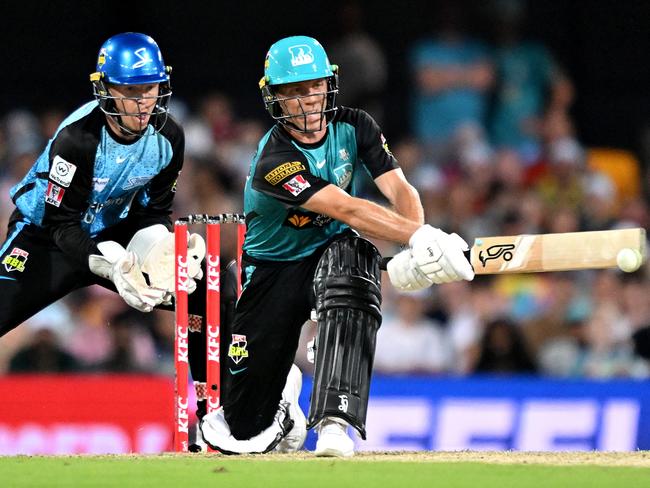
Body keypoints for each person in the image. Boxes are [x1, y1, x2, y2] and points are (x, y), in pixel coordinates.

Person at [198, 35, 474, 457]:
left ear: (329, 85)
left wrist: (413, 250)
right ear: (274, 98)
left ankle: (333, 421)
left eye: (313, 86)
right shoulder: (274, 160)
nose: (307, 99)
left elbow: (401, 190)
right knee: (242, 429)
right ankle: (281, 405)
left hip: (332, 249)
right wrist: (420, 237)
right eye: (293, 91)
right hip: (273, 270)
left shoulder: (355, 125)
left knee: (352, 265)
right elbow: (346, 207)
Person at [0, 33, 205, 338]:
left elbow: (154, 211)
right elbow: (61, 224)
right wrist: (108, 265)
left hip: (113, 234)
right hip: (45, 238)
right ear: (105, 90)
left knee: (210, 296)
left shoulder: (169, 138)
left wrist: (161, 249)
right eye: (130, 90)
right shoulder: (77, 140)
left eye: (149, 88)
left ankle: (214, 386)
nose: (143, 103)